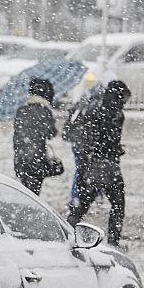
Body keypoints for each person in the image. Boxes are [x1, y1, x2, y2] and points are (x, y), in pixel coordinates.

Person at [67, 80, 130, 246]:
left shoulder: (94, 108)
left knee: (84, 203)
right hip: (107, 165)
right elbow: (109, 141)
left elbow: (90, 137)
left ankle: (66, 231)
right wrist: (115, 149)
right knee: (118, 204)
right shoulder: (116, 114)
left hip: (94, 164)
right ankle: (113, 241)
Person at [13, 78, 63, 195]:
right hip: (37, 158)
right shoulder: (44, 111)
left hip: (21, 157)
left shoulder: (22, 110)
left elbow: (17, 133)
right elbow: (51, 134)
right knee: (34, 192)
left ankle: (26, 208)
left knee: (25, 190)